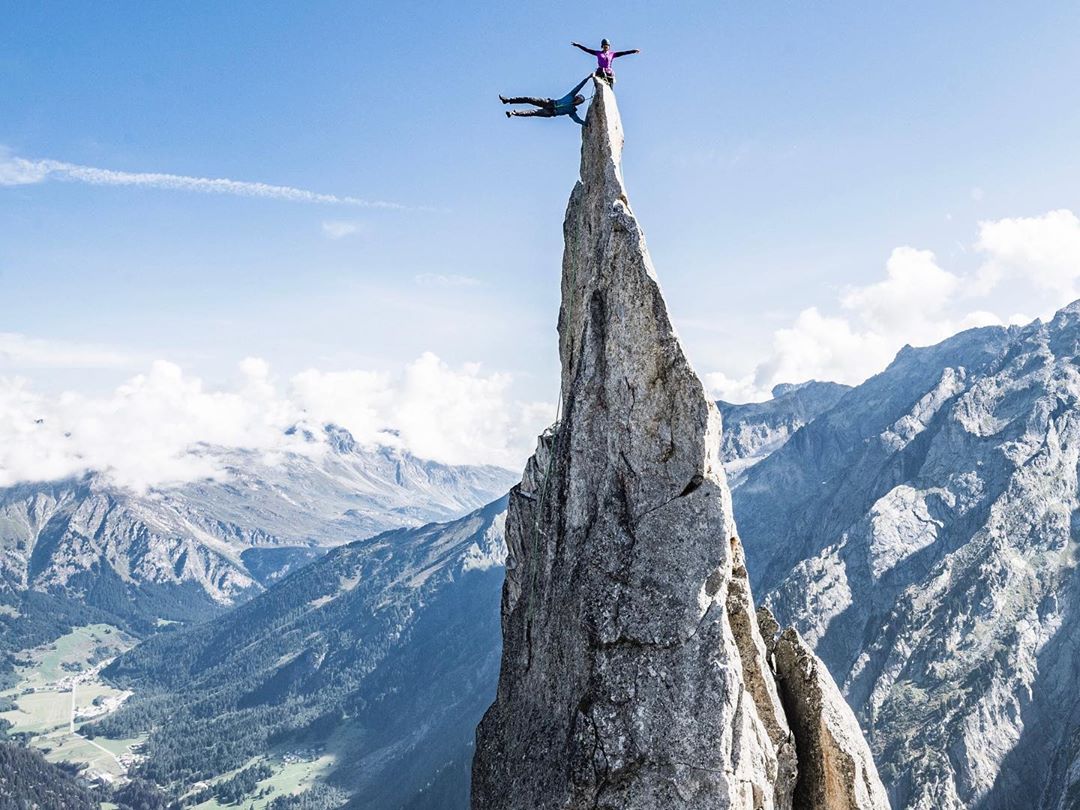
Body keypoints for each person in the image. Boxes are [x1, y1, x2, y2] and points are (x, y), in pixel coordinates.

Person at [500, 76, 591, 125]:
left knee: (532, 112)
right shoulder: (571, 96)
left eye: (580, 102)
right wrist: (588, 78)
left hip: (550, 112)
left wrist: (585, 124)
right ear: (576, 97)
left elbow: (576, 119)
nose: (578, 102)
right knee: (529, 99)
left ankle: (513, 113)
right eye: (579, 99)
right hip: (549, 102)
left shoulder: (572, 110)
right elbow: (579, 86)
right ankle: (508, 100)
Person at [571, 38, 640, 84]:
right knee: (598, 75)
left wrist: (633, 51)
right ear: (602, 46)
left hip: (609, 72)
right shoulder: (598, 53)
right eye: (604, 46)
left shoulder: (612, 54)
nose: (605, 47)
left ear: (609, 47)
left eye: (607, 46)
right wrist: (578, 45)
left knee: (611, 80)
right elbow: (587, 50)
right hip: (600, 71)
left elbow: (623, 53)